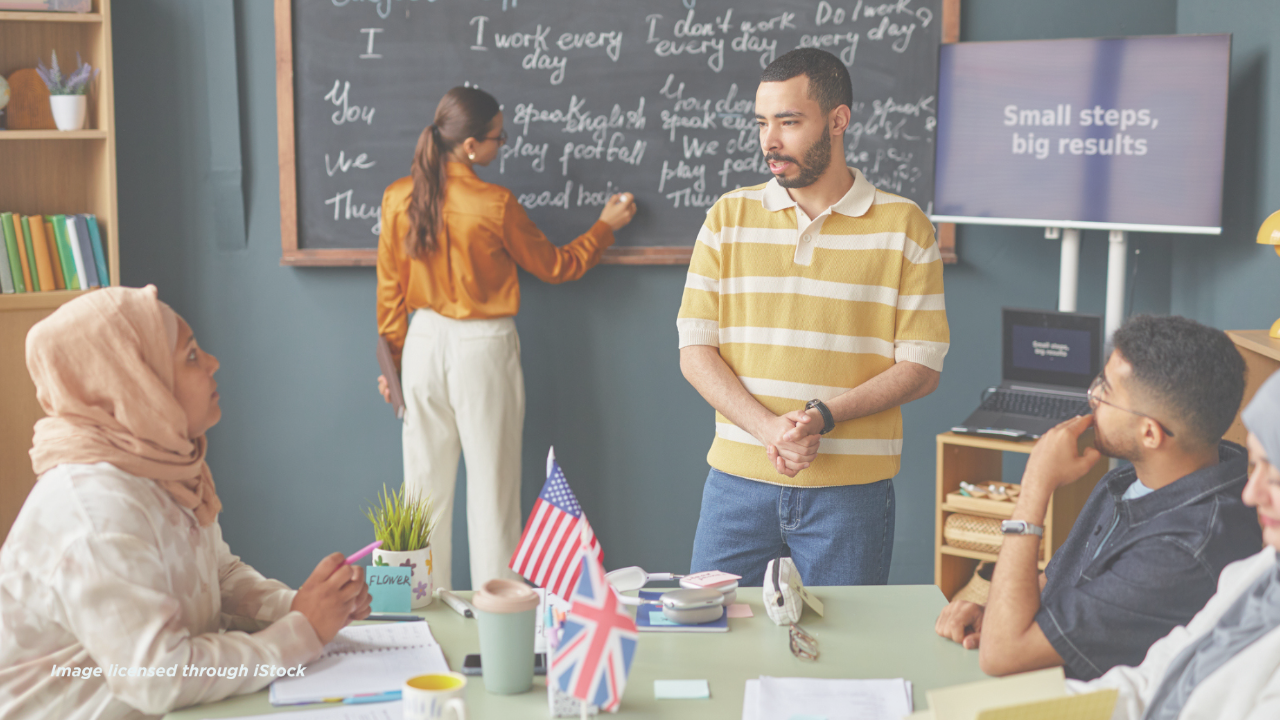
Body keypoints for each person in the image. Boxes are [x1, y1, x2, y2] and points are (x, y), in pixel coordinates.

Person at [0, 286, 370, 719]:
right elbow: (159, 677)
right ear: (137, 383)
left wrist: (300, 605)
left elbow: (218, 573)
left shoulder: (159, 467)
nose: (213, 364)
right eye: (191, 356)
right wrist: (302, 630)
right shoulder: (94, 512)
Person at [676, 48, 949, 587]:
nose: (769, 141)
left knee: (842, 659)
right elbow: (695, 351)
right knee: (716, 643)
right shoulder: (728, 217)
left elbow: (922, 366)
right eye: (762, 122)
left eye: (789, 122)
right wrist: (770, 431)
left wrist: (823, 415)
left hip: (851, 497)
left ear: (838, 120)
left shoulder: (905, 227)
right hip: (736, 485)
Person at [375, 86, 637, 591]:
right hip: (483, 348)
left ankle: (409, 618)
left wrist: (393, 364)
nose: (503, 144)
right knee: (493, 495)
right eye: (500, 137)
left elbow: (390, 293)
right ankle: (495, 625)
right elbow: (557, 266)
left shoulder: (395, 198)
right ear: (471, 146)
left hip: (422, 345)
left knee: (419, 497)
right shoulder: (494, 205)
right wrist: (604, 227)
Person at [936, 315, 1261, 681]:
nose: (1092, 398)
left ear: (1150, 433)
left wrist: (1035, 487)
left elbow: (1003, 656)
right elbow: (1055, 582)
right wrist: (992, 609)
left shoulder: (1181, 550)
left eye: (1106, 391)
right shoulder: (1131, 480)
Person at [1067, 369, 1280, 719]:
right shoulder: (1255, 573)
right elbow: (1153, 680)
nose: (1250, 493)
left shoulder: (1187, 545)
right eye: (1254, 465)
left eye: (1273, 475)